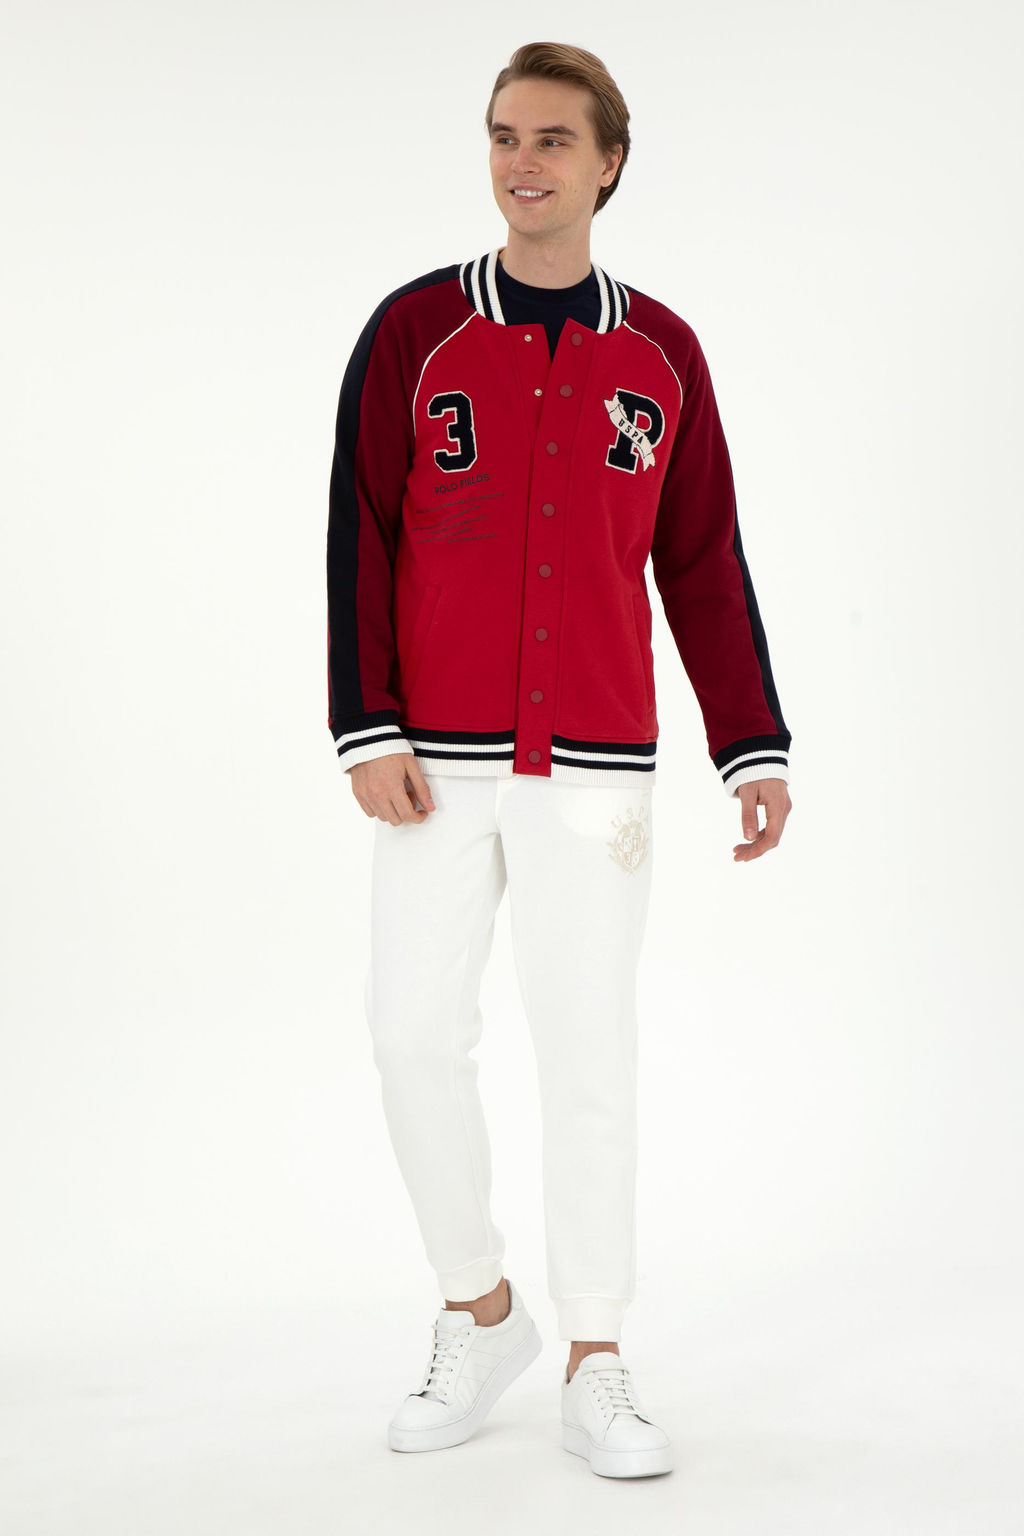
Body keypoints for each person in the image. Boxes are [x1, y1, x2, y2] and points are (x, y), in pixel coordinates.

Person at [326, 41, 792, 1478]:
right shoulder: (416, 332)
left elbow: (700, 559)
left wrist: (750, 744)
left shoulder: (662, 355)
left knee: (589, 1053)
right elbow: (360, 533)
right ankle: (482, 1310)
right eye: (502, 137)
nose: (520, 163)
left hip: (595, 769)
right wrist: (366, 723)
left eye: (550, 141)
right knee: (412, 1036)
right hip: (431, 763)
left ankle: (597, 1354)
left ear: (608, 165)